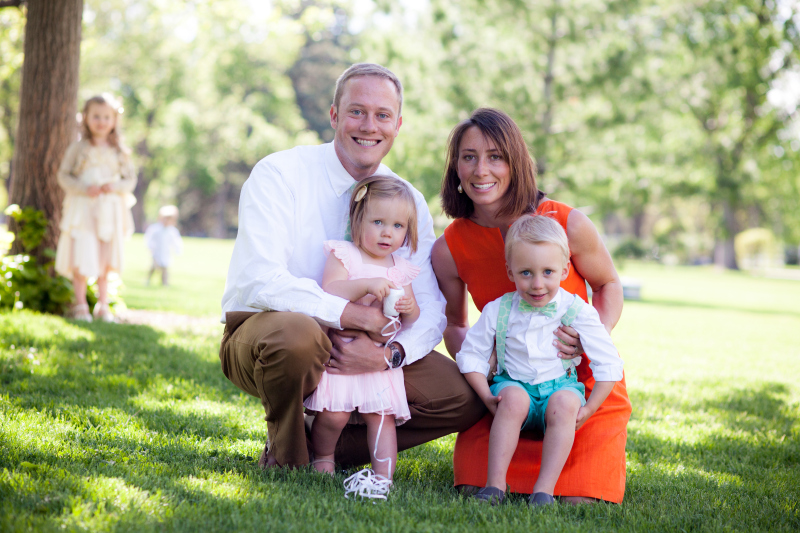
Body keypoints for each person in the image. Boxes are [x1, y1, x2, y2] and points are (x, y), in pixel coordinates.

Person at [218, 64, 483, 481]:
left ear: (398, 125)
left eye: (382, 115)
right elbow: (260, 279)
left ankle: (323, 445)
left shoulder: (407, 200)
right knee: (298, 337)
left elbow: (430, 307)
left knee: (462, 397)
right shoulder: (280, 173)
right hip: (271, 333)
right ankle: (289, 452)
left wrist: (389, 355)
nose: (369, 126)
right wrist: (351, 316)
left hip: (375, 343)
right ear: (334, 115)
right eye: (357, 111)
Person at [432, 108, 631, 504]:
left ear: (516, 162)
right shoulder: (449, 247)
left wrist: (590, 338)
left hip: (576, 382)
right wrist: (484, 366)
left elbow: (608, 284)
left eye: (495, 157)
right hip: (507, 384)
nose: (481, 170)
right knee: (472, 486)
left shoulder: (566, 222)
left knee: (580, 499)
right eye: (469, 157)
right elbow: (455, 325)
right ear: (455, 167)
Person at [456, 215, 624, 506]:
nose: (537, 284)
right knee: (512, 400)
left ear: (564, 270)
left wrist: (590, 408)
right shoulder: (499, 309)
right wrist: (486, 396)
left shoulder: (576, 310)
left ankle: (543, 491)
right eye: (526, 273)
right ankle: (495, 486)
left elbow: (608, 361)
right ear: (510, 271)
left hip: (559, 387)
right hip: (513, 384)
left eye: (548, 272)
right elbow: (471, 355)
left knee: (566, 404)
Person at [304, 175, 421, 497]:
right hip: (344, 352)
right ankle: (323, 457)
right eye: (378, 222)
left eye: (398, 226)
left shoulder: (401, 268)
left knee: (381, 418)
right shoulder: (345, 255)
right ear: (358, 220)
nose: (387, 232)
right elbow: (331, 291)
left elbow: (411, 319)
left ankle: (383, 476)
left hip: (378, 360)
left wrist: (410, 308)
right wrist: (366, 285)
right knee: (334, 414)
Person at [55, 93, 136, 323]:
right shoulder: (78, 148)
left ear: (114, 120)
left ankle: (103, 304)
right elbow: (63, 175)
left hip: (109, 210)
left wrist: (115, 186)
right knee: (82, 250)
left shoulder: (120, 151)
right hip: (83, 209)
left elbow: (130, 179)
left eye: (106, 117)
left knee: (105, 254)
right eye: (96, 116)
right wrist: (82, 187)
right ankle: (80, 305)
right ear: (86, 118)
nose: (101, 121)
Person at [144, 205, 183, 286]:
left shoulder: (172, 231)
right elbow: (149, 238)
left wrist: (177, 250)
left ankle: (164, 283)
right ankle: (148, 280)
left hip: (166, 252)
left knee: (165, 268)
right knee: (154, 266)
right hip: (156, 251)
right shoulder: (155, 228)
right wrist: (150, 247)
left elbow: (176, 241)